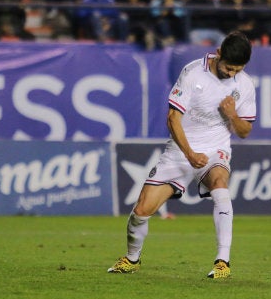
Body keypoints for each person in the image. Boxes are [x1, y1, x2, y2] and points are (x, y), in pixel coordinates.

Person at [107, 31, 256, 278]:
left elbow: (245, 131)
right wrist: (189, 154)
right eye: (229, 68)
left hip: (215, 148)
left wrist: (232, 115)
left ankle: (223, 262)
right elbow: (172, 118)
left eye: (237, 70)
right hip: (181, 149)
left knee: (220, 184)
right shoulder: (192, 72)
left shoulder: (245, 84)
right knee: (142, 211)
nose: (232, 74)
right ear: (218, 53)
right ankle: (132, 258)